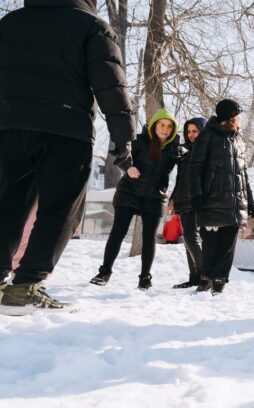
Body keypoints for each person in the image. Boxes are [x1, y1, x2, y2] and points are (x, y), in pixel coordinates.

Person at [0, 0, 135, 313]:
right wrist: (122, 140)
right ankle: (26, 286)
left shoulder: (9, 23)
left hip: (9, 129)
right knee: (61, 210)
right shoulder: (91, 26)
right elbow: (111, 85)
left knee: (8, 204)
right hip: (65, 130)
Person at [90, 109, 181, 290]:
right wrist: (128, 166)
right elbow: (120, 153)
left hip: (155, 197)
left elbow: (186, 172)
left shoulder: (175, 149)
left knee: (149, 238)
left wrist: (175, 197)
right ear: (155, 125)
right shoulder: (139, 141)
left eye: (169, 126)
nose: (165, 129)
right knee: (118, 232)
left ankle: (145, 277)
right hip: (129, 193)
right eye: (161, 125)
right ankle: (104, 272)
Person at [188, 99, 254, 295]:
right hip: (212, 200)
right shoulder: (208, 136)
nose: (241, 118)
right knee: (210, 245)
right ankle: (206, 279)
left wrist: (250, 201)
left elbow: (243, 174)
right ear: (230, 117)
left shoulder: (238, 140)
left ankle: (219, 283)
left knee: (228, 246)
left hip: (235, 203)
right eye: (238, 115)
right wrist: (197, 196)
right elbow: (195, 168)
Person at [169, 118, 207, 289]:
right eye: (189, 131)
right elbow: (180, 178)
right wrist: (173, 197)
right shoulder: (183, 151)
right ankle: (194, 278)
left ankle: (205, 277)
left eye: (195, 131)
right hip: (182, 199)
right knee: (187, 239)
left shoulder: (207, 149)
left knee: (192, 238)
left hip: (197, 200)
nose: (191, 135)